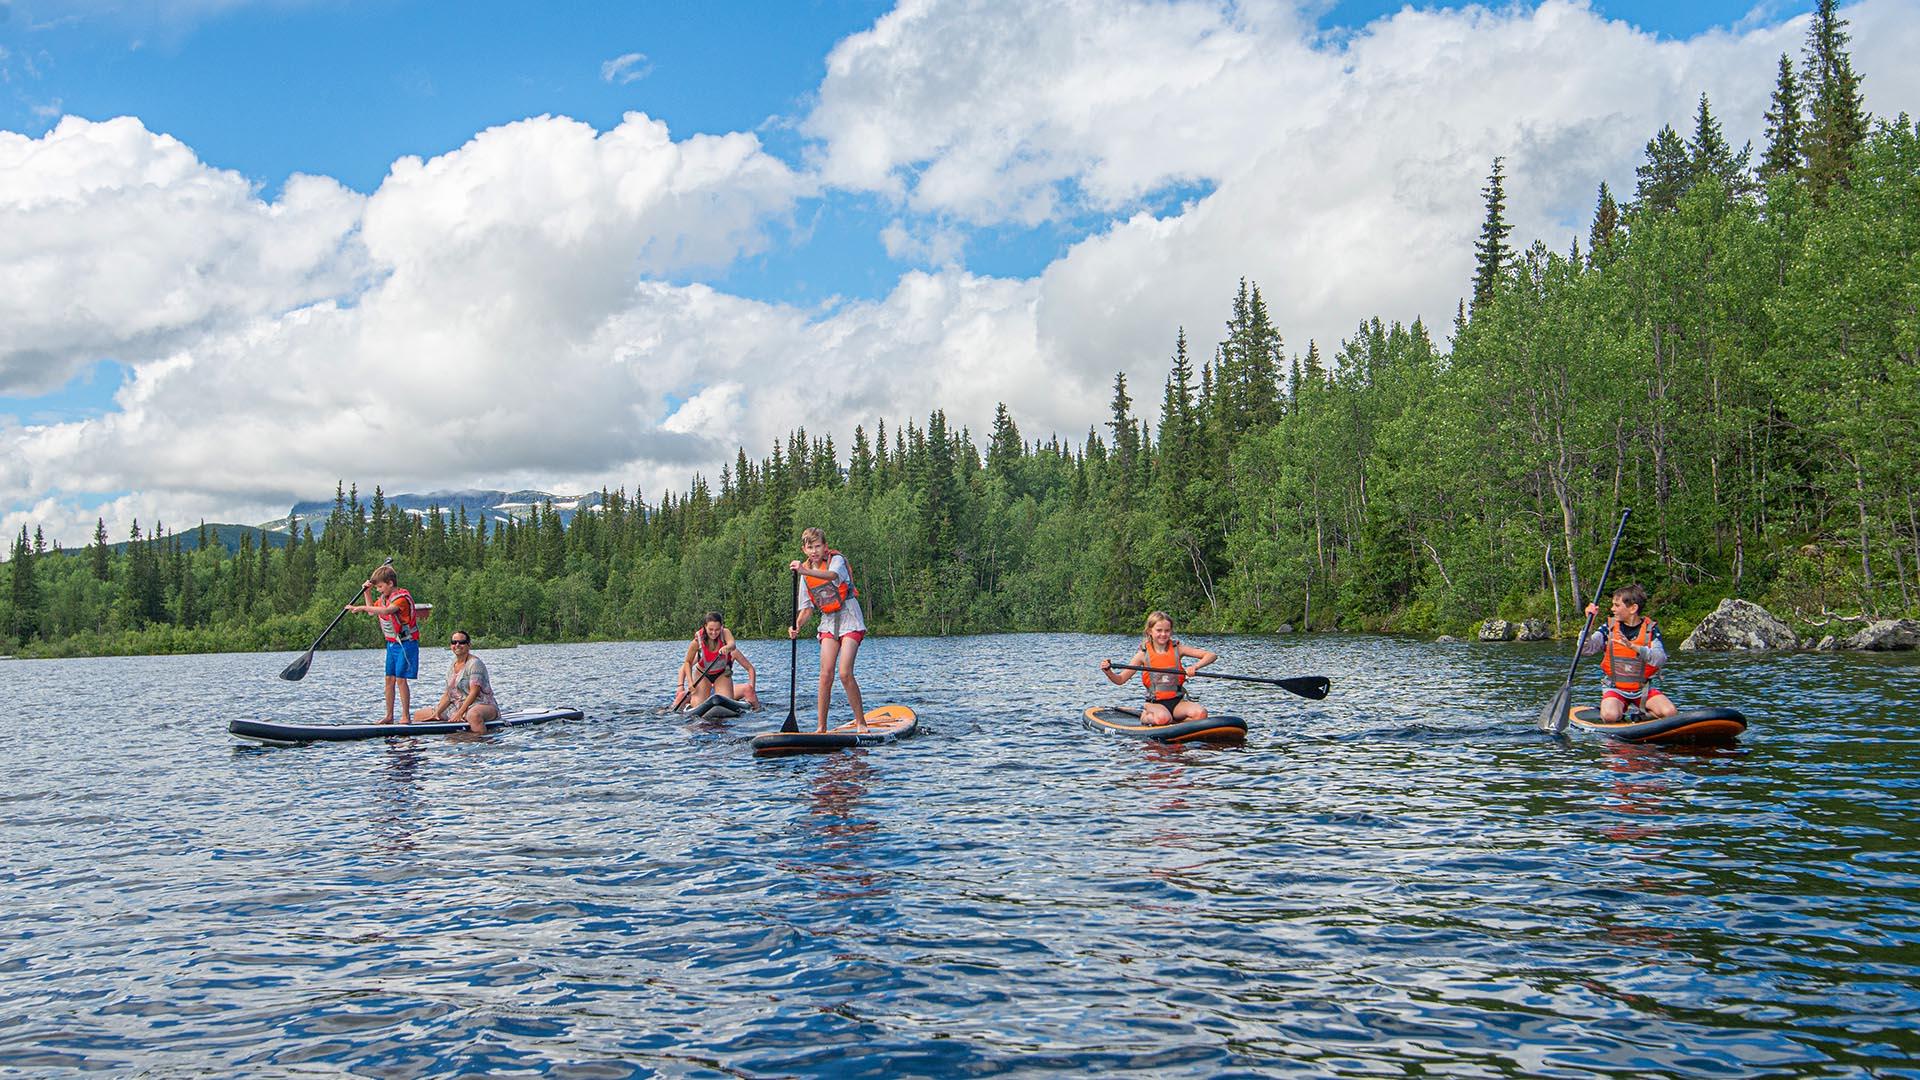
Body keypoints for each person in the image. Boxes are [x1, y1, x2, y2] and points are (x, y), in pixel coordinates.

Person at [788, 527, 867, 732]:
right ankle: (821, 727)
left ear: (825, 547)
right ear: (804, 549)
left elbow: (831, 576)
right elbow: (806, 610)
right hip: (829, 622)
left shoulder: (836, 561)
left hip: (850, 618)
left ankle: (861, 722)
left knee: (844, 673)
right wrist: (796, 626)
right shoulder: (805, 575)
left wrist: (804, 571)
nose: (814, 551)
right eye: (810, 547)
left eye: (818, 546)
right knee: (825, 675)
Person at [1100, 610, 1218, 726]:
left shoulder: (1178, 649)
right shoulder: (1142, 655)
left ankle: (1175, 723)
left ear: (1171, 632)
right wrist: (1108, 671)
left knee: (1201, 714)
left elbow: (1211, 656)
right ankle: (1145, 716)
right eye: (1159, 630)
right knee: (1163, 718)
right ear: (1150, 631)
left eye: (1167, 631)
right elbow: (1120, 680)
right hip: (1155, 703)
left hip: (1177, 703)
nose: (1163, 634)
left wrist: (1195, 667)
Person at [1580, 582, 1677, 722]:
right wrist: (1588, 625)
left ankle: (1641, 717)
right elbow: (1586, 649)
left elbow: (1660, 659)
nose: (1612, 609)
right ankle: (1616, 713)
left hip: (1642, 690)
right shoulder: (1609, 627)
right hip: (1615, 688)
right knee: (1610, 716)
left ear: (1633, 608)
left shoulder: (1651, 630)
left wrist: (1634, 647)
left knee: (1670, 712)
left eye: (1617, 605)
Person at [346, 564, 420, 725]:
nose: (378, 589)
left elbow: (386, 612)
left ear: (390, 583)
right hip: (392, 644)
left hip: (406, 644)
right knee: (389, 679)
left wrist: (361, 608)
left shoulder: (400, 599)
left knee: (401, 679)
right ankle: (389, 715)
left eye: (380, 586)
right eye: (377, 587)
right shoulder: (384, 599)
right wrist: (367, 592)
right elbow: (373, 611)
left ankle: (405, 716)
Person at [412, 631, 501, 734]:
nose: (457, 645)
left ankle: (481, 741)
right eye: (454, 642)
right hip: (457, 705)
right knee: (419, 715)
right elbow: (449, 694)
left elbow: (474, 693)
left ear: (469, 645)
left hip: (481, 704)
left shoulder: (475, 664)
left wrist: (460, 713)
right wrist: (437, 713)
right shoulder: (452, 665)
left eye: (461, 642)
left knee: (473, 715)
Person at [676, 611, 760, 711]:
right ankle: (687, 705)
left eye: (717, 629)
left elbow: (732, 644)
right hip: (702, 674)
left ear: (721, 627)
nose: (714, 633)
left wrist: (727, 647)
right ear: (705, 627)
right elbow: (687, 662)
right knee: (697, 705)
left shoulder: (725, 633)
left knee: (725, 703)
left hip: (722, 674)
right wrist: (689, 682)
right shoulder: (697, 641)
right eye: (710, 629)